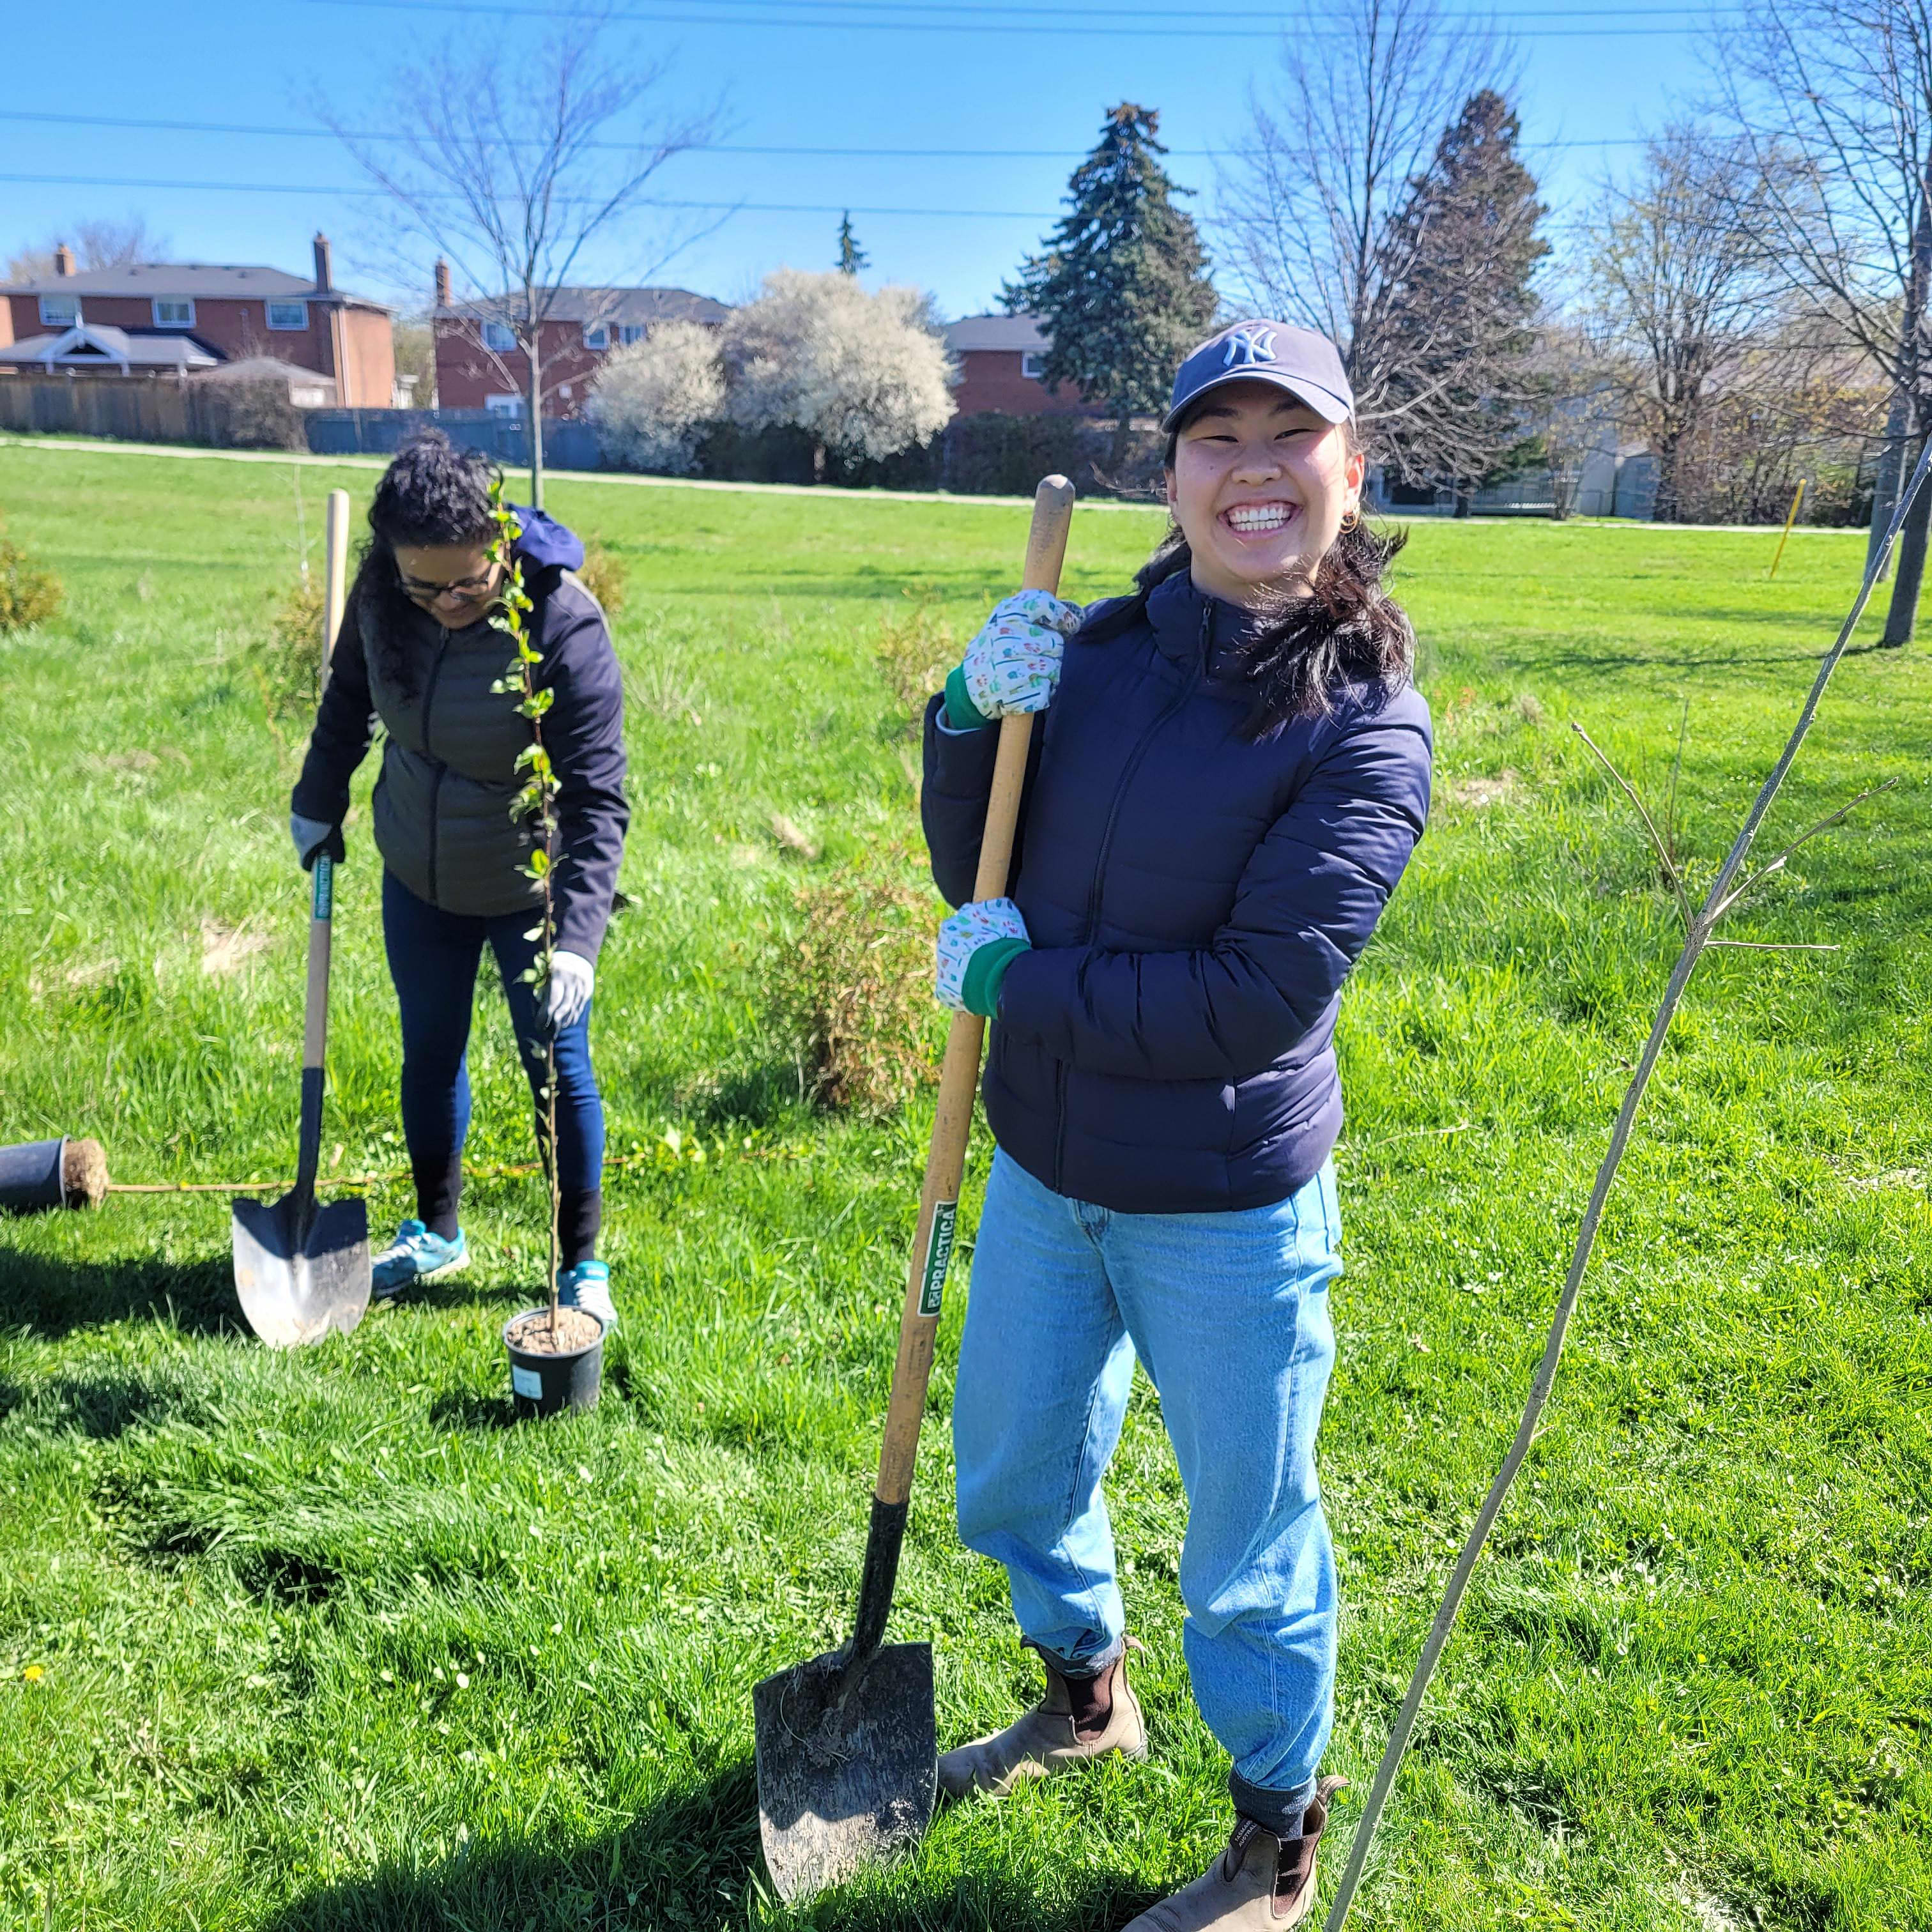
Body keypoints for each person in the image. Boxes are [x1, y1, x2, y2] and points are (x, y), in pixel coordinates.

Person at [922, 321, 1432, 1930]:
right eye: (1220, 437)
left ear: (1351, 473)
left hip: (1224, 1199)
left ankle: (1273, 1840)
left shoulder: (1366, 725)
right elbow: (977, 867)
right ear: (1174, 475)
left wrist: (1023, 987)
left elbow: (1248, 999)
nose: (1256, 470)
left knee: (1249, 1542)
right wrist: (962, 713)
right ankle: (1086, 1697)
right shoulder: (1101, 651)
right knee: (1009, 1464)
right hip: (1045, 1167)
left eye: (1295, 436)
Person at [289, 432, 628, 1325]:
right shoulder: (383, 599)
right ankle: (437, 1232)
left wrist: (578, 942)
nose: (446, 601)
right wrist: (315, 800)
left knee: (557, 1067)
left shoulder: (560, 621)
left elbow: (597, 797)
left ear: (501, 548)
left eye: (468, 583)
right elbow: (347, 704)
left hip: (530, 892)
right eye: (424, 585)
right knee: (429, 1053)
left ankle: (579, 1261)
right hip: (418, 872)